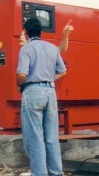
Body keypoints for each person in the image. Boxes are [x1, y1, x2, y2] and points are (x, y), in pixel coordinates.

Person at [17, 18, 67, 176]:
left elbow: (22, 75)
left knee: (35, 138)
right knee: (52, 137)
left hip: (32, 92)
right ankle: (56, 173)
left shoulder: (26, 49)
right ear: (40, 31)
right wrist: (48, 78)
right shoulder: (52, 48)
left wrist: (20, 83)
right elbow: (63, 71)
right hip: (50, 93)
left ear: (26, 31)